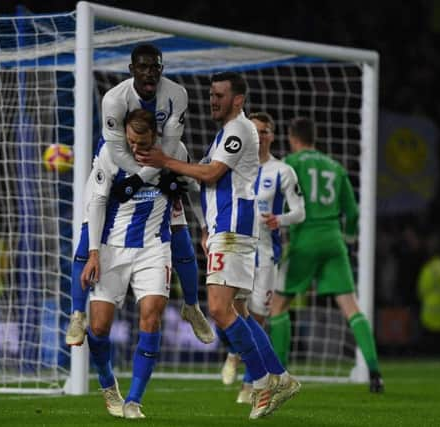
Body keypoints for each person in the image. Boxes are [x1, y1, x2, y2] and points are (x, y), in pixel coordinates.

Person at [137, 72, 300, 420]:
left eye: (220, 95)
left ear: (238, 100)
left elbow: (211, 174)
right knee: (237, 312)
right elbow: (209, 180)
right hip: (225, 228)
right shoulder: (226, 133)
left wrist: (165, 161)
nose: (213, 100)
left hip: (234, 228)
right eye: (211, 94)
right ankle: (281, 378)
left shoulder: (240, 129)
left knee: (219, 309)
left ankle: (260, 383)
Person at [65, 43, 214, 347]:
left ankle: (192, 306)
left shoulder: (176, 95)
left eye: (155, 67)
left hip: (160, 163)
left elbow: (173, 149)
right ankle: (77, 314)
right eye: (143, 67)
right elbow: (118, 150)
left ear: (162, 69)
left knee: (181, 235)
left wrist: (204, 223)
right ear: (132, 69)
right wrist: (136, 179)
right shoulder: (114, 100)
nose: (149, 73)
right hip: (117, 165)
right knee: (88, 230)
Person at [268, 117, 384, 393]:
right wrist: (349, 237)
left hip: (304, 241)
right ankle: (375, 372)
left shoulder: (289, 165)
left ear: (292, 137)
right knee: (351, 308)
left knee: (278, 307)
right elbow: (353, 213)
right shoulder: (335, 166)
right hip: (333, 240)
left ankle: (280, 377)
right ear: (314, 137)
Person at [79, 109, 176, 419]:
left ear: (156, 136)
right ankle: (108, 385)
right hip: (112, 247)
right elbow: (96, 202)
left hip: (154, 248)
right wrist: (93, 252)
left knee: (151, 315)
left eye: (143, 142)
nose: (136, 148)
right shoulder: (110, 152)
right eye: (131, 141)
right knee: (98, 326)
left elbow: (189, 188)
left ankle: (134, 400)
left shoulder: (173, 152)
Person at [219, 112, 305, 404]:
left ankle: (247, 380)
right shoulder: (235, 166)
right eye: (255, 131)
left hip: (266, 254)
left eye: (265, 131)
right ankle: (236, 357)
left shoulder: (282, 171)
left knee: (257, 314)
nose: (260, 136)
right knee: (228, 307)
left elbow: (300, 212)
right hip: (236, 247)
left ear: (271, 135)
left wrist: (278, 219)